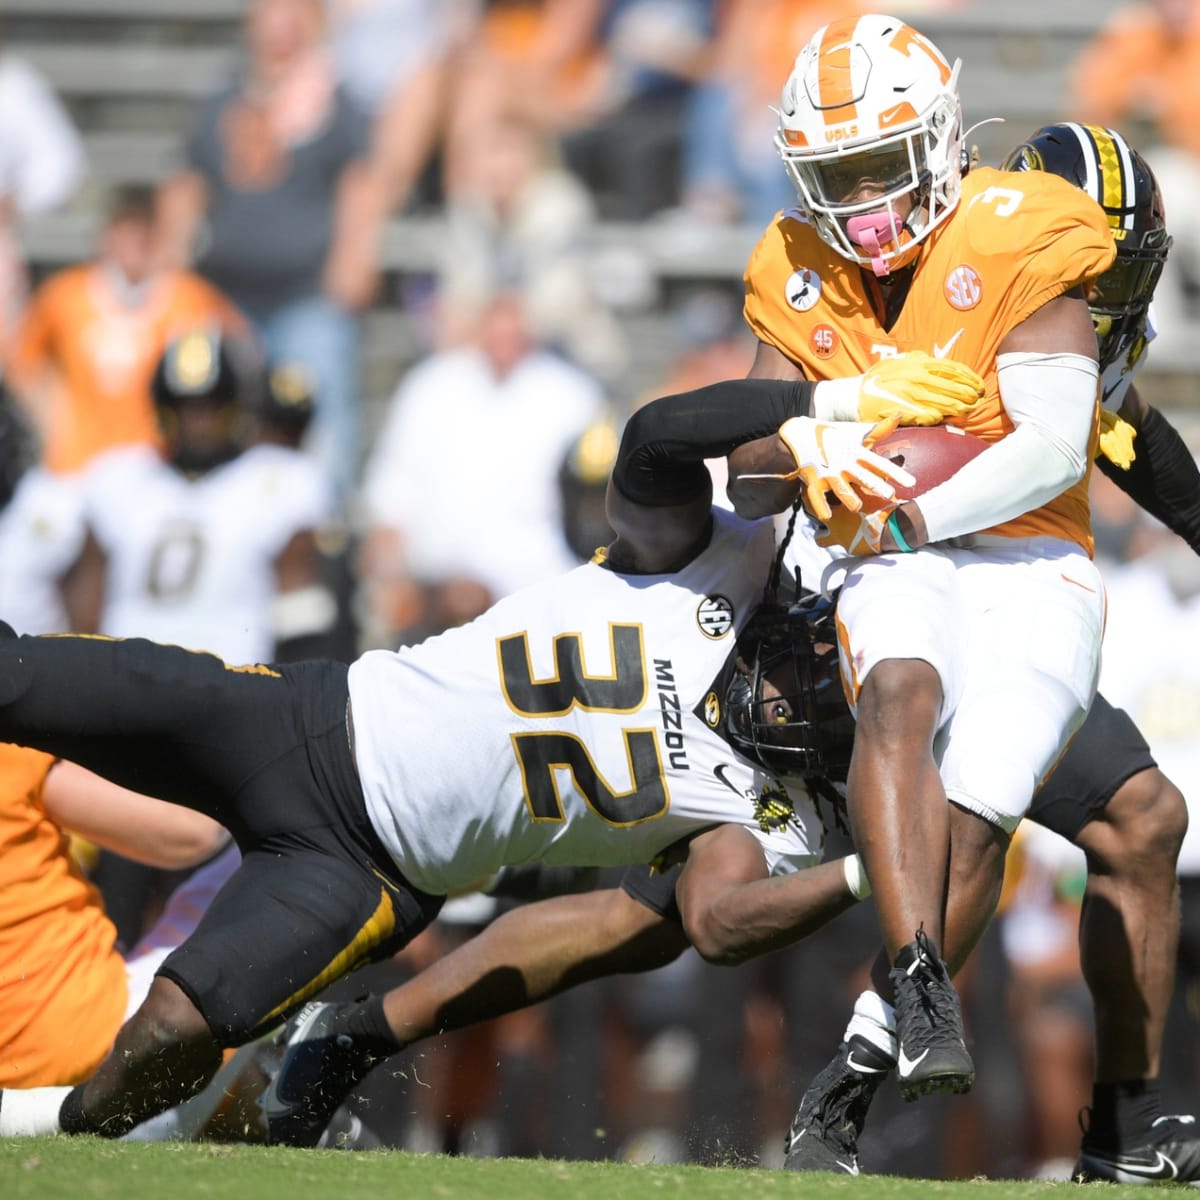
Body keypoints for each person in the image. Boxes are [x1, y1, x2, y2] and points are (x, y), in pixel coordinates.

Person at [0, 352, 976, 1140]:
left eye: (825, 717)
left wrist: (870, 878)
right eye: (817, 676)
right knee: (22, 682)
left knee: (172, 1034)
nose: (797, 704)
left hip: (366, 872)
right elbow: (653, 437)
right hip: (313, 721)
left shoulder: (765, 805)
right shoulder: (709, 557)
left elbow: (716, 922)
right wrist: (830, 399)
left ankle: (49, 1134)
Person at [781, 122, 1200, 1184]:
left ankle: (1127, 1121)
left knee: (1144, 819)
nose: (1094, 286)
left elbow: (1126, 434)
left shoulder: (1056, 316)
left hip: (1009, 600)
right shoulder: (945, 281)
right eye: (1083, 259)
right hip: (893, 596)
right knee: (967, 824)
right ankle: (849, 1081)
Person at [155, 0, 382, 505]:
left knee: (323, 432)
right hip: (226, 298)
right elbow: (189, 184)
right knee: (214, 421)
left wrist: (354, 259)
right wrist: (170, 264)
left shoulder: (332, 102)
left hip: (306, 295)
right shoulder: (223, 102)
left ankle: (323, 541)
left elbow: (360, 185)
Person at [66, 329, 336, 668]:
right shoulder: (117, 479)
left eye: (209, 408)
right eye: (184, 408)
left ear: (235, 407)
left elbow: (300, 613)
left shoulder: (279, 480)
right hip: (127, 683)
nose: (197, 423)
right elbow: (86, 610)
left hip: (235, 681)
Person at [6, 187, 247, 476]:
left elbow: (240, 348)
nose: (134, 245)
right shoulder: (65, 296)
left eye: (144, 235)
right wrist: (52, 415)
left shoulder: (188, 296)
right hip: (79, 464)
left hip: (157, 464)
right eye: (125, 233)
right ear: (106, 237)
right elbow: (21, 360)